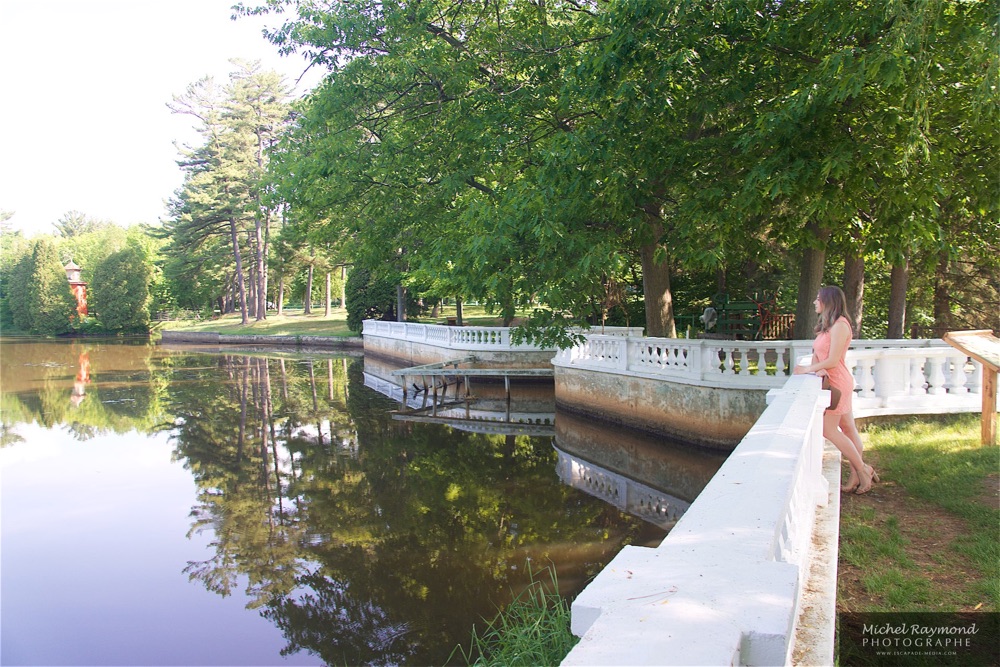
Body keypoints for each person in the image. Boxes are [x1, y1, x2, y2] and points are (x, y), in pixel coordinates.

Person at [794, 286, 878, 494]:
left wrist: (808, 369)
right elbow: (820, 353)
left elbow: (832, 360)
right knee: (848, 428)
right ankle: (856, 475)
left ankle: (862, 470)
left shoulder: (841, 325)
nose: (814, 301)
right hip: (832, 379)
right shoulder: (829, 326)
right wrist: (816, 368)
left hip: (837, 383)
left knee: (828, 429)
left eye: (817, 298)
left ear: (828, 301)